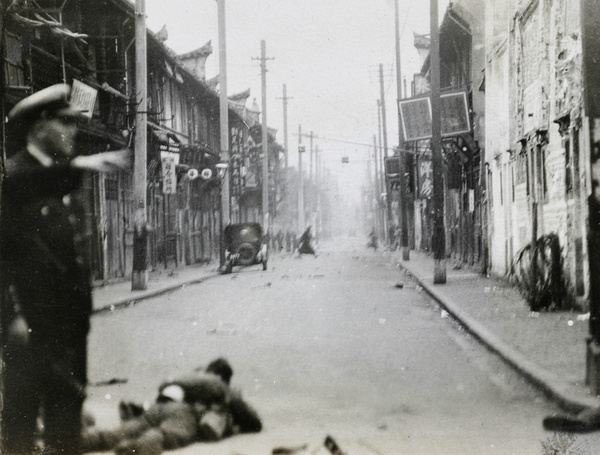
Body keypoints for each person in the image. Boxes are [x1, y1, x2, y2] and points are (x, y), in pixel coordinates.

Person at [0, 83, 132, 454]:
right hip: (27, 326)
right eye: (65, 123)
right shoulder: (12, 177)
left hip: (68, 326)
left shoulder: (62, 183)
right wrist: (11, 317)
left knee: (65, 421)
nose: (74, 131)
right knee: (21, 420)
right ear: (39, 126)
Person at [81, 358, 262, 455]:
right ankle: (137, 448)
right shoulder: (221, 388)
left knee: (122, 431)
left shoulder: (191, 377)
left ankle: (81, 440)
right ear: (225, 378)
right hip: (185, 414)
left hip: (159, 407)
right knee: (163, 434)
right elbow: (254, 422)